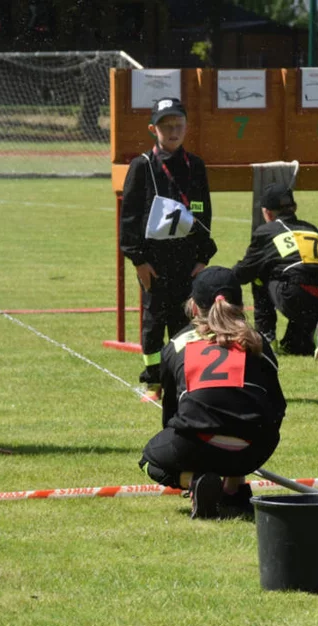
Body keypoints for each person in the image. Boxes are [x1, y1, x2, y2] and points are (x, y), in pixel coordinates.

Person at [139, 266, 286, 519]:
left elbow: (172, 414)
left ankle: (196, 481)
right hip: (253, 448)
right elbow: (277, 406)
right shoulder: (257, 340)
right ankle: (233, 488)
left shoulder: (177, 344)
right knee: (240, 416)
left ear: (194, 307)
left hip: (196, 444)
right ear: (240, 305)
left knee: (149, 462)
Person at [120, 97, 216, 400]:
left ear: (187, 127)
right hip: (154, 262)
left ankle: (181, 381)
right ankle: (153, 383)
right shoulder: (142, 166)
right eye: (166, 126)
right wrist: (138, 260)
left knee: (185, 322)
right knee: (153, 323)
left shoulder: (196, 166)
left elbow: (203, 214)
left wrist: (202, 258)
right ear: (153, 129)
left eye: (178, 125)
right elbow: (131, 217)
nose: (173, 131)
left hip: (187, 261)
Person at [232, 183, 318, 360]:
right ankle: (314, 333)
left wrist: (223, 277)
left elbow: (245, 271)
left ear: (267, 212)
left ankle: (267, 338)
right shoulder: (315, 230)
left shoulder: (267, 231)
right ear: (294, 207)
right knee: (296, 348)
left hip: (297, 297)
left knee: (259, 274)